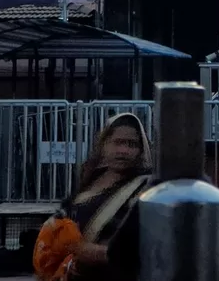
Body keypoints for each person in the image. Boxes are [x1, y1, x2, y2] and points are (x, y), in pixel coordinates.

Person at [34, 113, 151, 281]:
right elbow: (63, 218)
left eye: (131, 144)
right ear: (103, 145)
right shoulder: (91, 179)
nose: (123, 150)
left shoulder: (145, 187)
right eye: (117, 142)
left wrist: (95, 253)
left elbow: (145, 246)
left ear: (141, 150)